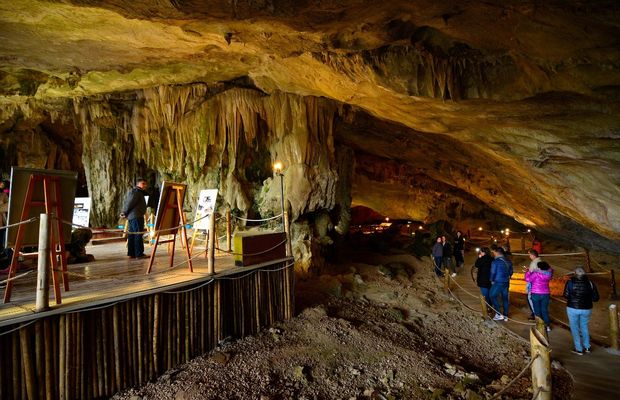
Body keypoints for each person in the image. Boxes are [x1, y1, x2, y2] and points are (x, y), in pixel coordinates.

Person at [564, 266, 599, 355]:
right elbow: (595, 298)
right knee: (584, 326)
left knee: (575, 328)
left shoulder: (570, 282)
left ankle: (579, 349)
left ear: (574, 274)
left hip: (572, 308)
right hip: (586, 309)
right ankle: (587, 347)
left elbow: (566, 295)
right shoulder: (590, 283)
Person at [121, 178, 148, 258]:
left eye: (145, 184)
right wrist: (124, 212)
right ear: (138, 184)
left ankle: (132, 253)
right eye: (143, 183)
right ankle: (139, 254)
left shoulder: (137, 192)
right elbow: (130, 203)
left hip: (134, 216)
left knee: (132, 234)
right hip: (136, 216)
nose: (145, 185)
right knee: (138, 234)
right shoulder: (136, 192)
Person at [525, 260, 553, 331]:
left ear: (539, 268)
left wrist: (528, 271)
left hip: (536, 293)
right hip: (545, 294)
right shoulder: (549, 274)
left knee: (537, 310)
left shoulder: (536, 274)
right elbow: (550, 269)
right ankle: (547, 326)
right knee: (544, 310)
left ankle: (540, 326)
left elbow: (527, 279)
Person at [490, 246, 513, 321]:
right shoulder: (508, 261)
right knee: (505, 298)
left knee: (492, 295)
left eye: (493, 252)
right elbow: (511, 272)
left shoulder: (495, 262)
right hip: (506, 282)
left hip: (498, 282)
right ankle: (506, 315)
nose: (493, 254)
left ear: (496, 252)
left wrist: (491, 280)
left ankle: (498, 313)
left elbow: (493, 272)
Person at [525, 248, 542, 320]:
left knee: (531, 299)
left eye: (530, 255)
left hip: (533, 285)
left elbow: (529, 276)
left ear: (533, 255)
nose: (529, 256)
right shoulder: (540, 261)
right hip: (540, 285)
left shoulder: (534, 263)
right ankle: (536, 314)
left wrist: (527, 271)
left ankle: (536, 315)